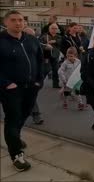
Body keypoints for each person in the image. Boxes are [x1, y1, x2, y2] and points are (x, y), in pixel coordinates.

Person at [0, 10, 43, 172]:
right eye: (13, 20)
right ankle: (16, 155)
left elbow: (40, 60)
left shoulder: (31, 40)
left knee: (23, 116)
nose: (18, 23)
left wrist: (40, 80)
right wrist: (6, 83)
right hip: (11, 90)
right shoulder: (2, 41)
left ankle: (15, 138)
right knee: (12, 119)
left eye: (20, 20)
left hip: (31, 87)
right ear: (6, 22)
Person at [22, 27, 45, 126]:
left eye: (34, 36)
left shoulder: (35, 44)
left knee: (31, 97)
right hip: (17, 80)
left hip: (32, 79)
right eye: (30, 36)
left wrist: (39, 79)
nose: (33, 38)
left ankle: (36, 116)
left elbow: (40, 61)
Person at [39, 23, 62, 88]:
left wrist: (55, 41)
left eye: (55, 28)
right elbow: (39, 44)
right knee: (45, 70)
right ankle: (39, 83)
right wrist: (45, 47)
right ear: (49, 29)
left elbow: (61, 42)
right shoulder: (44, 36)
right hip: (46, 55)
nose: (54, 30)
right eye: (52, 28)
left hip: (55, 55)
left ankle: (56, 84)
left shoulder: (59, 36)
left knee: (56, 70)